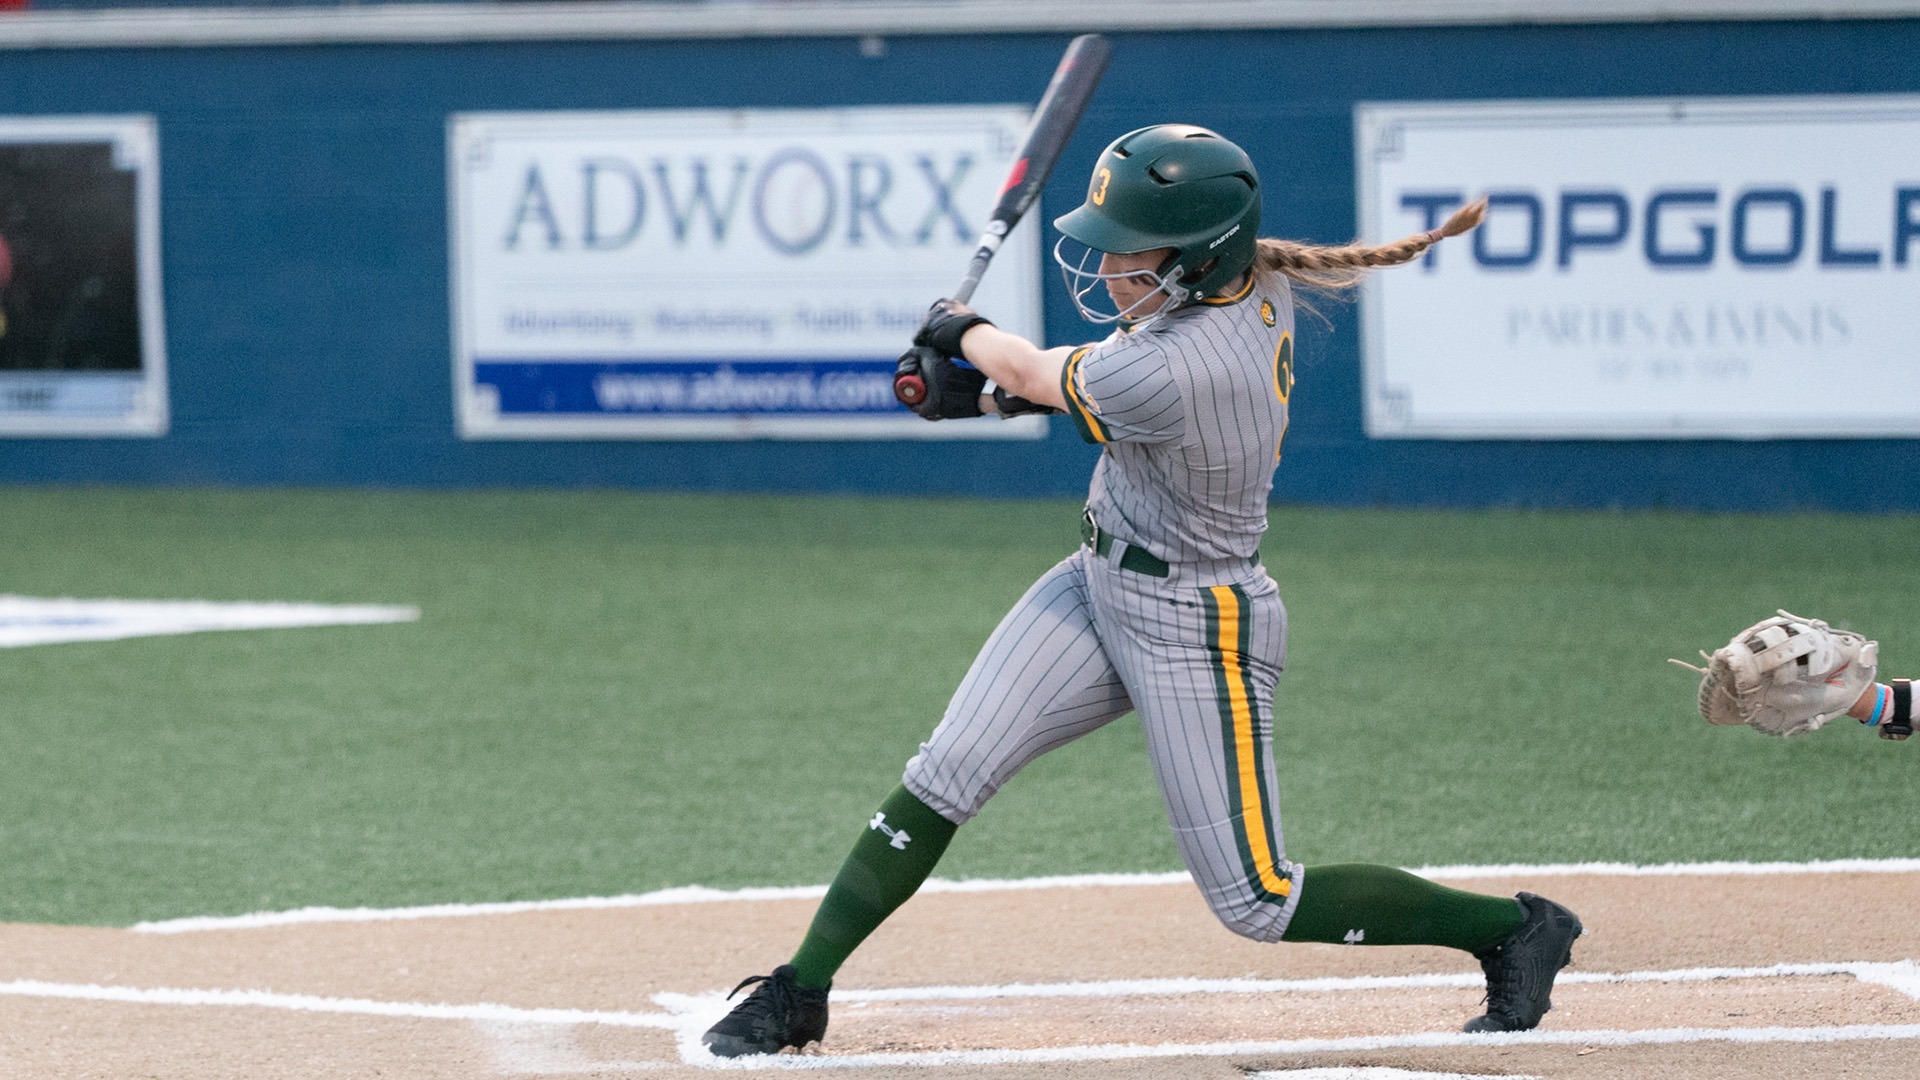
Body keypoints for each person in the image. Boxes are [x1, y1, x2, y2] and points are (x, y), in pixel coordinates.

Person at [700, 124, 1583, 1058]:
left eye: (1131, 248)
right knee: (943, 773)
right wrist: (985, 396)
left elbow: (1049, 372)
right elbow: (1071, 394)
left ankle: (1514, 929)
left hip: (1197, 623)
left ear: (1199, 257)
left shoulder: (1183, 361)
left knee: (1258, 900)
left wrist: (962, 329)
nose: (1110, 264)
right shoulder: (1245, 281)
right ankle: (801, 989)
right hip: (1096, 580)